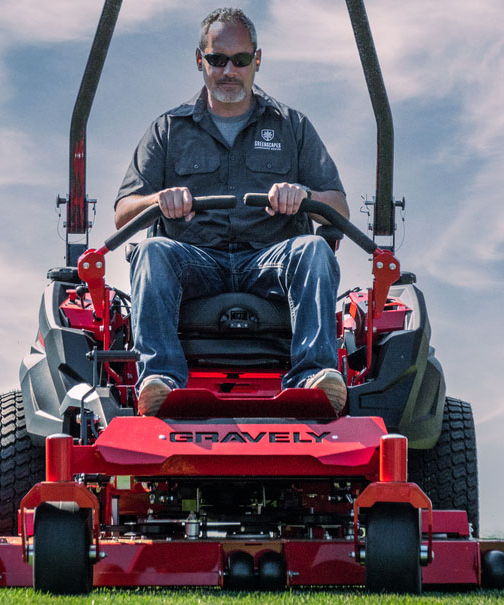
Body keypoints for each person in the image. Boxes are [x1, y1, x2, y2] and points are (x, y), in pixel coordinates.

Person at [114, 8, 350, 416]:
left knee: (313, 248)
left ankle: (315, 377)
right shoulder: (168, 130)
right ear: (199, 60)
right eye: (217, 59)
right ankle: (161, 380)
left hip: (269, 259)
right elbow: (123, 213)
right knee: (152, 253)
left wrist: (304, 194)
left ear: (257, 60)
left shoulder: (292, 127)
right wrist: (159, 200)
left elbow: (338, 209)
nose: (229, 70)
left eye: (240, 60)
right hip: (195, 260)